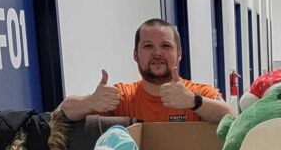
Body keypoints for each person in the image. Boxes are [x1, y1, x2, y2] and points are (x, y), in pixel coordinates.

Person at [60, 18, 232, 123]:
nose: (157, 53)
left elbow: (231, 117)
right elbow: (63, 112)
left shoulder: (197, 92)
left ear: (179, 54)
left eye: (165, 46)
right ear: (135, 55)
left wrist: (193, 102)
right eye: (148, 46)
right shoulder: (123, 96)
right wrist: (90, 102)